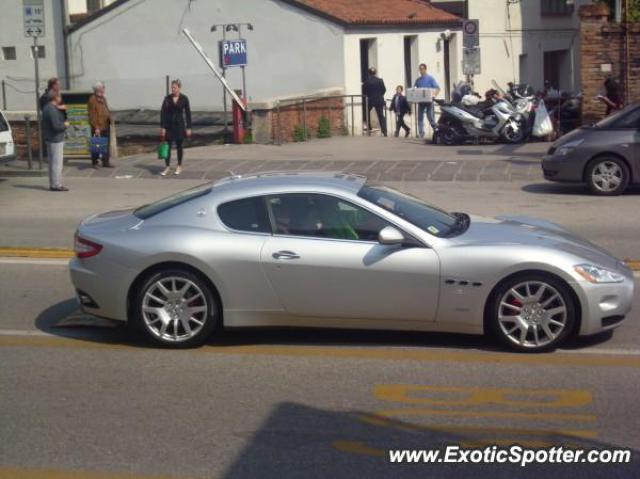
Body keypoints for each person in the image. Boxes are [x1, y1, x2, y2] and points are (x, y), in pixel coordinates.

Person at [160, 79, 192, 176]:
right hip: (169, 125)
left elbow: (188, 114)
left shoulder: (184, 99)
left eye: (174, 87)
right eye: (172, 87)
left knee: (179, 146)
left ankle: (179, 165)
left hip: (179, 125)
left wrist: (189, 127)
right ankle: (167, 167)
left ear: (179, 88)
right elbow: (163, 113)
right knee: (167, 146)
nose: (172, 89)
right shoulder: (167, 99)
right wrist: (163, 127)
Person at [42, 91, 69, 192]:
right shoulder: (52, 110)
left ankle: (53, 183)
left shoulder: (47, 107)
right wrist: (65, 125)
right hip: (55, 138)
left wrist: (63, 110)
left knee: (52, 163)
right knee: (57, 163)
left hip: (50, 138)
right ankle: (56, 185)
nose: (61, 99)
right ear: (55, 98)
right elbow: (56, 126)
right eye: (59, 97)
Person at [87, 81, 113, 168]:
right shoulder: (92, 99)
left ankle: (106, 162)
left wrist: (110, 117)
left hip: (105, 124)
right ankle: (95, 162)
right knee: (97, 144)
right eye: (103, 87)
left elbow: (106, 109)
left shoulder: (103, 98)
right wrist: (96, 127)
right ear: (98, 89)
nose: (104, 89)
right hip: (98, 126)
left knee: (105, 144)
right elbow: (92, 115)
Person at [414, 63, 441, 139]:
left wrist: (434, 95)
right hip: (421, 102)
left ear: (425, 69)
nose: (421, 70)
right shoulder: (418, 80)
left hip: (429, 101)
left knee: (430, 117)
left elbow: (438, 88)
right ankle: (421, 133)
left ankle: (437, 131)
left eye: (422, 69)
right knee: (420, 118)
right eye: (420, 69)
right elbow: (414, 89)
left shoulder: (430, 78)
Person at [362, 67, 387, 137]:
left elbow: (364, 91)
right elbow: (384, 90)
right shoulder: (380, 80)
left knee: (366, 113)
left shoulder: (366, 81)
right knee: (381, 116)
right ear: (375, 73)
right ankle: (384, 132)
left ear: (369, 73)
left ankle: (369, 128)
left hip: (370, 100)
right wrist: (379, 95)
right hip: (379, 100)